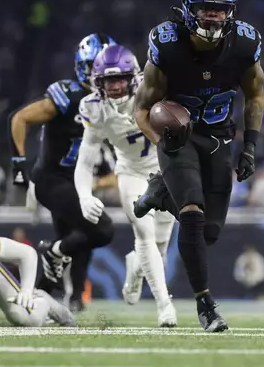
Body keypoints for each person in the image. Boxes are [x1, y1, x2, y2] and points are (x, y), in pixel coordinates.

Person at [132, 0, 264, 332]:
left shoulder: (243, 44)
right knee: (191, 212)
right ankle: (206, 305)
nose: (213, 17)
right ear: (189, 10)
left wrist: (250, 145)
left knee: (208, 233)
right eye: (207, 9)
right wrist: (161, 142)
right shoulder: (168, 45)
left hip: (219, 137)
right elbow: (141, 110)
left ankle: (160, 192)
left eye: (220, 11)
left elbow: (254, 94)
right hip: (180, 139)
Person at [9, 33, 117, 312]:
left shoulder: (112, 101)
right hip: (52, 180)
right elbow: (20, 118)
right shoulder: (67, 95)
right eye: (97, 66)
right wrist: (18, 161)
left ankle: (44, 293)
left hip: (75, 183)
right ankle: (52, 255)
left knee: (79, 238)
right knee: (101, 229)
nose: (103, 73)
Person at [74, 44, 177, 327]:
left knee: (160, 247)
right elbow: (85, 161)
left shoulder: (155, 89)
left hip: (165, 170)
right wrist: (84, 195)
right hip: (130, 172)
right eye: (109, 80)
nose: (116, 86)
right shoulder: (94, 108)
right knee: (144, 233)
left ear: (134, 77)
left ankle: (135, 265)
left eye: (120, 78)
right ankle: (164, 306)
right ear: (99, 82)